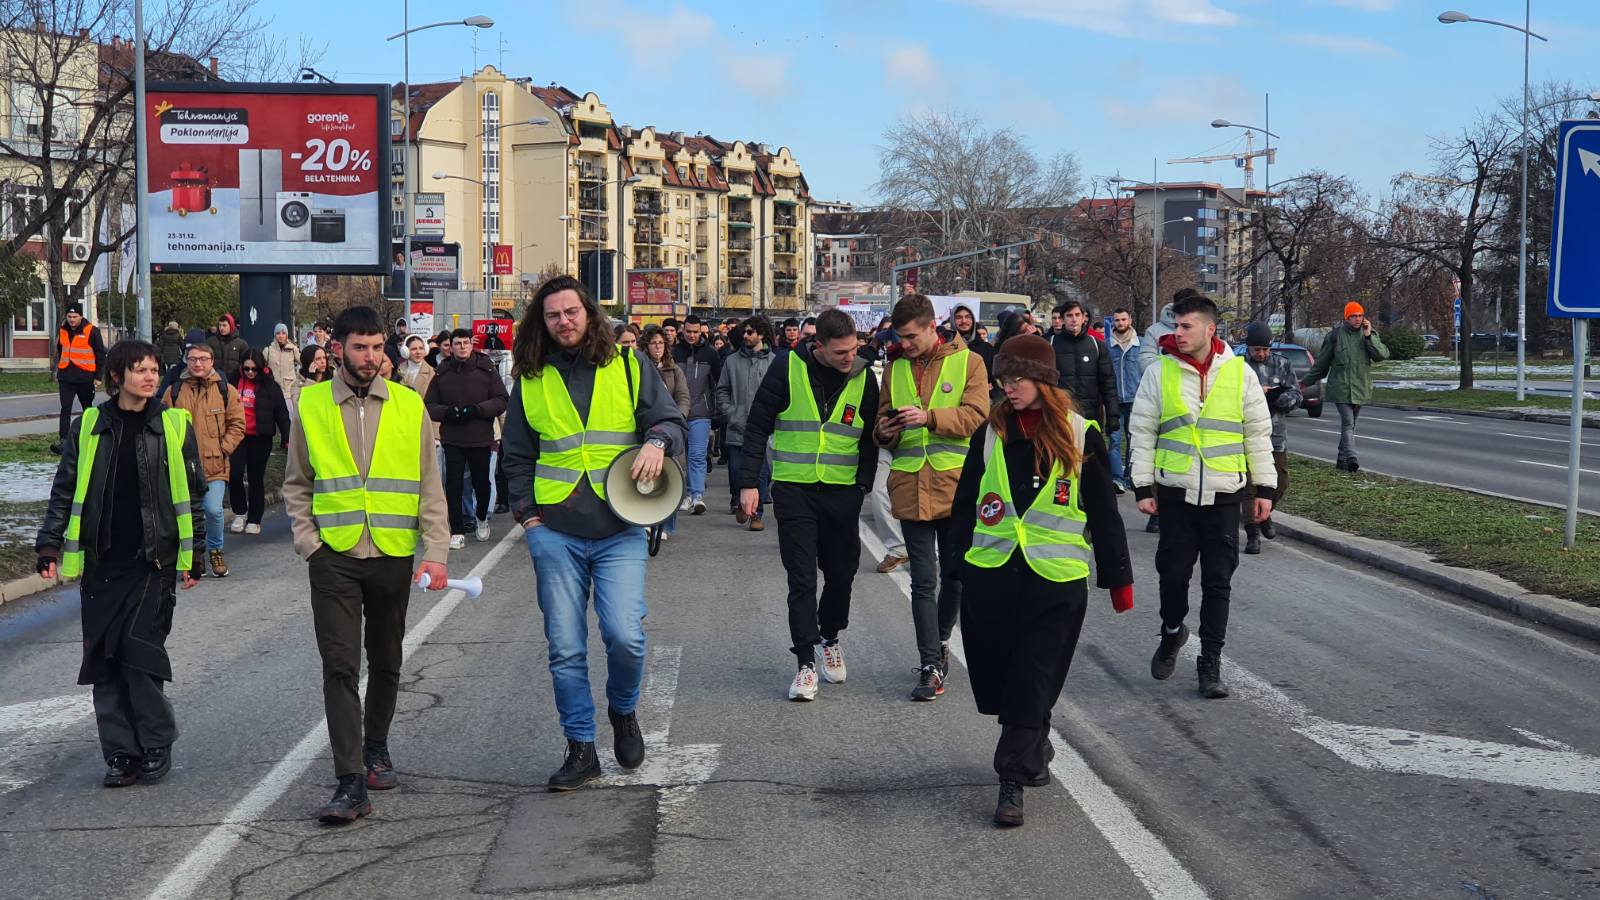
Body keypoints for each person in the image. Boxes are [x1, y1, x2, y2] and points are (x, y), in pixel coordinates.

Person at [502, 275, 686, 791]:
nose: (563, 321)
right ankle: (581, 747)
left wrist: (657, 441)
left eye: (571, 312)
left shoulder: (629, 366)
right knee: (565, 648)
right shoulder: (531, 378)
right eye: (553, 315)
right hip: (554, 531)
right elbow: (516, 454)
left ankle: (623, 712)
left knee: (625, 636)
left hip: (619, 528)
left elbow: (670, 420)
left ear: (590, 314)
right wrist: (528, 518)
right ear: (543, 322)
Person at [948, 334, 1133, 827]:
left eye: (1018, 379)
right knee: (1004, 676)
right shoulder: (989, 434)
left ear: (1045, 382)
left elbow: (1103, 512)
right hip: (993, 577)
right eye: (1003, 379)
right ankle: (1035, 747)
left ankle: (1010, 781)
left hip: (1055, 581)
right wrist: (954, 569)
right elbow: (966, 505)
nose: (1009, 388)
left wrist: (1118, 579)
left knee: (1032, 675)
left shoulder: (1079, 433)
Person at [283, 305, 451, 825]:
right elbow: (296, 483)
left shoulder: (408, 404)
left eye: (379, 347)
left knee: (387, 659)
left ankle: (376, 746)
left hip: (393, 555)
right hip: (333, 555)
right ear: (338, 348)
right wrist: (308, 542)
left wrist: (438, 552)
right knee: (339, 665)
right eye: (360, 347)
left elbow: (429, 484)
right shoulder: (310, 405)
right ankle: (350, 779)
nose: (371, 357)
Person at [35, 339, 205, 788]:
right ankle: (121, 754)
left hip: (153, 561)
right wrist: (48, 545)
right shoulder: (89, 424)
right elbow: (65, 488)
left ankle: (155, 741)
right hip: (101, 564)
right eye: (140, 370)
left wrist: (196, 554)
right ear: (117, 376)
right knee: (104, 661)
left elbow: (193, 494)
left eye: (154, 370)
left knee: (138, 653)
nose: (150, 377)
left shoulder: (173, 425)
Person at [1129, 294, 1276, 700]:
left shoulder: (1240, 374)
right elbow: (1141, 430)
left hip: (1225, 494)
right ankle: (1173, 630)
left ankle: (1210, 663)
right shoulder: (1160, 372)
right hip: (1175, 493)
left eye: (1185, 326)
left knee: (1218, 582)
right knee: (1173, 576)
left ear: (1210, 329)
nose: (1177, 333)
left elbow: (1256, 434)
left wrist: (1264, 490)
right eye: (1175, 326)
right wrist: (1143, 485)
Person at [736, 308, 880, 702]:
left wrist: (862, 485)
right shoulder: (787, 368)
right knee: (801, 578)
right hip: (794, 491)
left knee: (841, 574)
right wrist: (748, 482)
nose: (849, 358)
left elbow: (869, 437)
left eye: (854, 349)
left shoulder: (865, 378)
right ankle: (804, 663)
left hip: (842, 493)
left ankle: (829, 635)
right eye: (840, 353)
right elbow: (757, 426)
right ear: (818, 347)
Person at [874, 294, 990, 700]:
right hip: (909, 485)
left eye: (909, 336)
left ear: (930, 327)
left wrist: (930, 418)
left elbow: (977, 416)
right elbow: (881, 423)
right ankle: (929, 664)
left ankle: (940, 642)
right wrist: (885, 431)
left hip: (956, 486)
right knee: (924, 579)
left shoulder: (970, 362)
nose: (904, 344)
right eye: (898, 337)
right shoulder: (894, 368)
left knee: (955, 576)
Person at [164, 341, 244, 578]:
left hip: (214, 464)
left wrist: (223, 448)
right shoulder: (174, 391)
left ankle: (216, 550)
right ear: (186, 361)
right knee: (186, 513)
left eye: (203, 359)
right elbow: (162, 424)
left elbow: (238, 424)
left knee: (213, 510)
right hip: (183, 466)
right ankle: (191, 556)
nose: (197, 363)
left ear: (211, 361)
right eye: (193, 359)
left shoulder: (225, 391)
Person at [425, 328, 509, 548]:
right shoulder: (442, 372)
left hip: (480, 437)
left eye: (465, 343)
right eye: (457, 343)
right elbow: (429, 404)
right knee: (453, 484)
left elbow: (501, 399)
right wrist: (447, 413)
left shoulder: (486, 369)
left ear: (471, 345)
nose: (462, 347)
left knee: (481, 483)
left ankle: (481, 517)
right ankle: (457, 529)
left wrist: (478, 410)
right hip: (452, 437)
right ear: (450, 347)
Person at [1303, 301, 1389, 473]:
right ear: (1346, 318)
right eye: (1353, 316)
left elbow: (1382, 355)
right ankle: (1351, 457)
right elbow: (1322, 363)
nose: (1357, 319)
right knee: (1348, 423)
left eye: (1360, 316)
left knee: (1351, 425)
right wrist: (1307, 381)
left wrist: (1368, 337)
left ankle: (1341, 460)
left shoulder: (1369, 335)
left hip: (1361, 387)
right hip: (1341, 388)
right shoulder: (1334, 336)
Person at [1240, 322, 1301, 554]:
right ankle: (1252, 533)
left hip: (1274, 434)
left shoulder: (1282, 364)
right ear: (1249, 348)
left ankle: (1265, 513)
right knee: (1249, 486)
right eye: (1257, 350)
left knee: (1280, 482)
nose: (1262, 354)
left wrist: (1279, 398)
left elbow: (1296, 393)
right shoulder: (1239, 367)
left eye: (1265, 349)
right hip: (1245, 434)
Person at [715, 315, 775, 530]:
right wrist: (731, 414)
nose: (745, 336)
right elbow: (721, 390)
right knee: (736, 470)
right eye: (744, 332)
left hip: (763, 430)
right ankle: (738, 501)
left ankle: (756, 514)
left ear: (761, 334)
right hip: (737, 427)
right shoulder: (731, 361)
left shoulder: (773, 361)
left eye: (750, 332)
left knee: (761, 473)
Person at [227, 349, 290, 536]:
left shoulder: (270, 387)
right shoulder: (231, 382)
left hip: (260, 437)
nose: (250, 373)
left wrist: (286, 438)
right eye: (246, 369)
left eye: (254, 369)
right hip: (237, 435)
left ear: (261, 369)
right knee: (235, 474)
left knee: (256, 477)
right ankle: (239, 512)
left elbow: (281, 413)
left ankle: (255, 519)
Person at [642, 325, 689, 539]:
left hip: (670, 428)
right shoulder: (640, 368)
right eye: (653, 343)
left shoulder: (674, 370)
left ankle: (665, 524)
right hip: (648, 428)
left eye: (661, 343)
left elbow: (683, 397)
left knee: (672, 477)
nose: (658, 347)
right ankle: (646, 521)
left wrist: (677, 418)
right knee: (648, 476)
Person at [672, 315, 722, 516]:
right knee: (678, 457)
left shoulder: (711, 354)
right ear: (682, 330)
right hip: (675, 413)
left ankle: (697, 495)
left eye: (695, 332)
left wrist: (717, 411)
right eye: (688, 331)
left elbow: (718, 383)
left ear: (701, 332)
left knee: (697, 456)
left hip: (701, 412)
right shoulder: (673, 352)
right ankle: (682, 495)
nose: (692, 335)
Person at [1048, 300, 1118, 437]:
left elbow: (1108, 383)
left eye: (1077, 315)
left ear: (1083, 318)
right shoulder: (1050, 345)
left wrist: (1112, 415)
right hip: (1061, 416)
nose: (1074, 319)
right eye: (1069, 315)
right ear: (1062, 319)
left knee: (1092, 457)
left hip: (1091, 416)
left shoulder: (1097, 346)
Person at [52, 302, 106, 455]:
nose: (71, 319)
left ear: (81, 316)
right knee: (65, 408)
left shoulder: (91, 331)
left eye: (75, 317)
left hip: (85, 378)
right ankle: (64, 441)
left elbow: (100, 355)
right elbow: (61, 350)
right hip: (66, 377)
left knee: (88, 410)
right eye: (69, 316)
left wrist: (98, 377)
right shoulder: (63, 330)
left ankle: (89, 439)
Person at [1107, 307, 1141, 493]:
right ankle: (1116, 477)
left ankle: (1130, 475)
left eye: (1123, 319)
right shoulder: (1107, 346)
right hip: (1114, 399)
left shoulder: (1140, 344)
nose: (1120, 323)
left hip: (1135, 399)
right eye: (1117, 320)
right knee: (1114, 439)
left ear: (1130, 321)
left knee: (1133, 438)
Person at [950, 303, 994, 375]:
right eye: (958, 317)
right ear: (952, 320)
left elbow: (992, 374)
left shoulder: (986, 348)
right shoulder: (946, 346)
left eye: (967, 317)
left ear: (973, 319)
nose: (963, 321)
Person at [207, 313, 249, 381]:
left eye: (224, 325)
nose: (221, 328)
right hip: (214, 379)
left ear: (231, 326)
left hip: (234, 381)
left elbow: (245, 364)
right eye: (220, 325)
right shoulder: (210, 342)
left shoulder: (241, 344)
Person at [265, 323, 301, 397]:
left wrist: (299, 380)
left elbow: (303, 363)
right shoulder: (268, 350)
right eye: (278, 333)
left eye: (283, 333)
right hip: (273, 390)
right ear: (274, 335)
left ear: (287, 335)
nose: (281, 336)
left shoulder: (293, 349)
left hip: (289, 391)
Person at [293, 344, 332, 409]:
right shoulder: (297, 384)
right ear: (309, 361)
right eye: (318, 359)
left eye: (324, 358)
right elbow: (299, 406)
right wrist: (311, 380)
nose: (323, 362)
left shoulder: (332, 378)